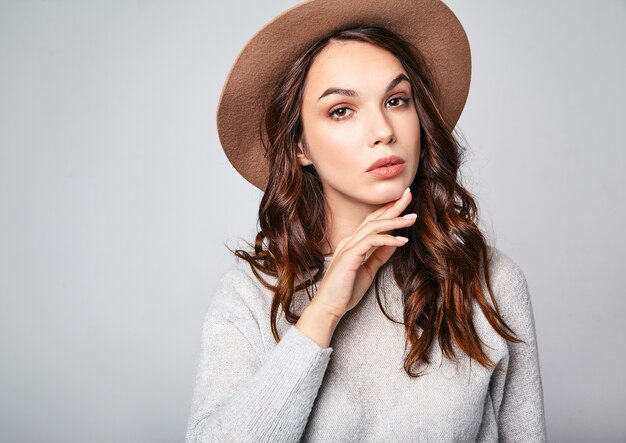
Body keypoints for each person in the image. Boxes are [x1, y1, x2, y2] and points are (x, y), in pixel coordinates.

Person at [185, 0, 547, 441]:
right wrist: (324, 313)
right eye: (341, 110)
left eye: (397, 100)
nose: (383, 130)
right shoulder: (250, 296)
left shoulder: (490, 283)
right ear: (300, 147)